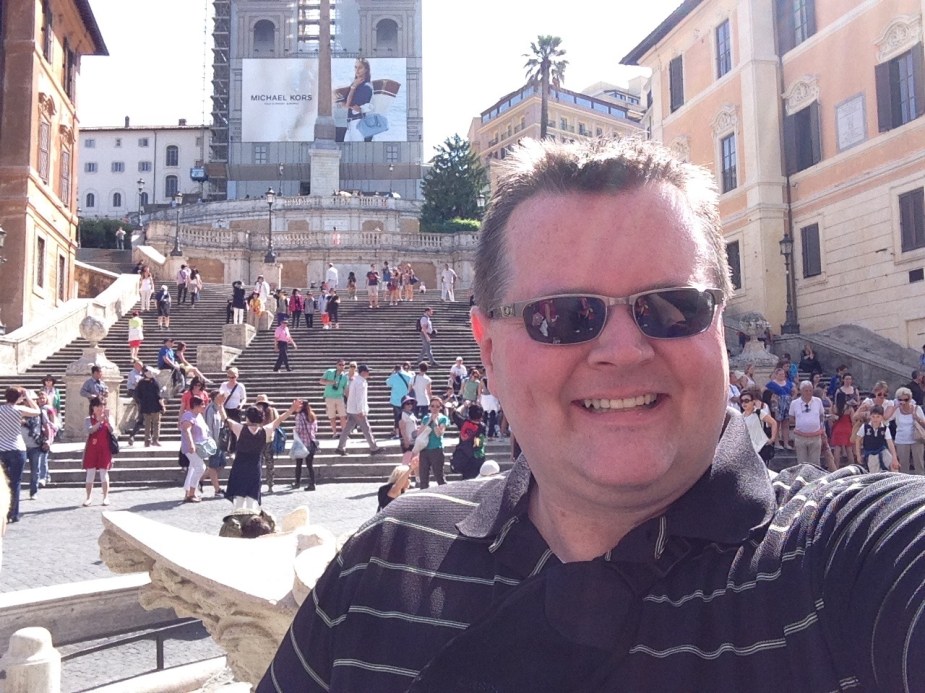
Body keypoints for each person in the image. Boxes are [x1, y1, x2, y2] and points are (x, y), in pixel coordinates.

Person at [258, 138, 925, 692]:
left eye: (672, 307)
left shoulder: (843, 558)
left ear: (719, 327)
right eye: (563, 316)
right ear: (489, 352)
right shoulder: (382, 562)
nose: (624, 350)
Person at [215, 394, 298, 511]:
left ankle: (238, 516)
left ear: (247, 418)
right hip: (255, 467)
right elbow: (279, 420)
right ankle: (251, 516)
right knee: (252, 497)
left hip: (240, 466)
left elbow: (225, 419)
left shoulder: (240, 429)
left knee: (239, 496)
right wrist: (291, 410)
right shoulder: (265, 430)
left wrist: (220, 406)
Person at [1, 388, 40, 523]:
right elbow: (37, 411)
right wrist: (28, 397)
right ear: (18, 397)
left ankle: (3, 512)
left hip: (2, 448)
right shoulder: (19, 409)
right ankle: (14, 513)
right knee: (15, 482)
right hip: (17, 449)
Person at [335, 365, 385, 456]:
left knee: (347, 429)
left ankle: (340, 447)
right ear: (363, 372)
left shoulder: (357, 381)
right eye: (367, 371)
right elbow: (359, 398)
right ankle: (373, 448)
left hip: (352, 409)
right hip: (357, 410)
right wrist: (360, 410)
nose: (369, 373)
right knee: (366, 428)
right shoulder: (360, 382)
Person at [81, 397, 113, 506]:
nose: (100, 408)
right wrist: (99, 422)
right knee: (90, 473)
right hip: (92, 449)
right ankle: (88, 497)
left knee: (104, 473)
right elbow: (90, 430)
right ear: (93, 407)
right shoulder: (88, 419)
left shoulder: (109, 418)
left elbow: (112, 430)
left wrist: (107, 421)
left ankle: (106, 497)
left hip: (105, 449)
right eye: (98, 406)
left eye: (102, 405)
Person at [179, 395, 211, 503]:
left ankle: (188, 491)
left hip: (200, 447)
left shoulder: (199, 415)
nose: (204, 406)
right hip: (191, 447)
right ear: (195, 405)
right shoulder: (188, 416)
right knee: (200, 467)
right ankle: (192, 493)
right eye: (202, 404)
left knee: (192, 469)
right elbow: (187, 431)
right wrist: (191, 444)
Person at [888, 386, 925, 475]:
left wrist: (916, 417)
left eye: (906, 399)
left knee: (919, 465)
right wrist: (894, 407)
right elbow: (887, 419)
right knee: (903, 466)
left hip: (916, 439)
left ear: (910, 399)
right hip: (901, 440)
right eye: (900, 400)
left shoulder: (917, 408)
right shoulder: (896, 410)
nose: (903, 402)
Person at [788, 380, 826, 466]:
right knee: (802, 463)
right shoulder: (794, 403)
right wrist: (801, 423)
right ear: (801, 391)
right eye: (806, 391)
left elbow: (821, 416)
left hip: (815, 436)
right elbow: (791, 418)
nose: (808, 393)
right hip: (800, 437)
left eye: (810, 390)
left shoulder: (818, 401)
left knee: (815, 463)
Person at [855, 405, 899, 473]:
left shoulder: (885, 428)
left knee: (893, 464)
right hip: (870, 452)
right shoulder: (865, 427)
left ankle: (896, 478)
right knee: (875, 472)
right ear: (870, 416)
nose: (875, 419)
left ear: (882, 417)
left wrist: (894, 458)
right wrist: (858, 455)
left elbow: (890, 444)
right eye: (873, 416)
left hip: (882, 450)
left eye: (878, 417)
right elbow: (858, 440)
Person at [417, 396, 448, 488]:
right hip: (424, 449)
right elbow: (419, 433)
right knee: (423, 477)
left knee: (439, 476)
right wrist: (429, 421)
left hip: (436, 449)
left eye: (437, 406)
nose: (434, 408)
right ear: (429, 407)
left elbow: (439, 434)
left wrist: (435, 422)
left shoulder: (443, 418)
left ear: (440, 407)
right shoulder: (426, 418)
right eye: (432, 406)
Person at [739, 391, 777, 465]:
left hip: (761, 447)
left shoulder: (759, 412)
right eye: (741, 401)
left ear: (753, 402)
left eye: (746, 401)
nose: (744, 403)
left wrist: (772, 438)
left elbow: (773, 423)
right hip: (749, 448)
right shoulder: (741, 416)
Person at [291, 400, 319, 491]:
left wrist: (294, 430)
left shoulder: (299, 416)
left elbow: (299, 429)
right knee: (310, 465)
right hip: (311, 443)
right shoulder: (312, 415)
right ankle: (312, 483)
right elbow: (316, 429)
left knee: (298, 464)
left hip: (301, 443)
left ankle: (297, 482)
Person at [344, 58, 373, 143]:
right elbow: (347, 105)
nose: (357, 70)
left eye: (360, 68)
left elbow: (350, 104)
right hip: (350, 123)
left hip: (358, 122)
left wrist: (353, 88)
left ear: (366, 70)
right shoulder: (354, 84)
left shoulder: (366, 87)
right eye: (355, 67)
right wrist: (354, 86)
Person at [135, 366, 165, 447]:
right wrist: (162, 405)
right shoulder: (154, 382)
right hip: (155, 406)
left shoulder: (141, 383)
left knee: (148, 424)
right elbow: (158, 396)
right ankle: (155, 440)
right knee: (156, 424)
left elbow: (138, 395)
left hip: (145, 406)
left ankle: (147, 441)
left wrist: (141, 402)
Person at [319, 360, 348, 438]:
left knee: (343, 416)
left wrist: (348, 398)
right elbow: (321, 381)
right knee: (332, 416)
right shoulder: (329, 372)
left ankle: (344, 434)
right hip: (329, 397)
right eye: (340, 364)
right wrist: (332, 382)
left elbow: (345, 389)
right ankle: (334, 433)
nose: (342, 366)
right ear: (336, 365)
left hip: (340, 397)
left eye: (343, 365)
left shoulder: (345, 376)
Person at [386, 363, 413, 438]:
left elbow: (388, 383)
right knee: (406, 417)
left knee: (397, 418)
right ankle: (407, 433)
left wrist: (392, 374)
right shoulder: (409, 375)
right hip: (406, 400)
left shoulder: (394, 376)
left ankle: (398, 434)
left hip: (396, 401)